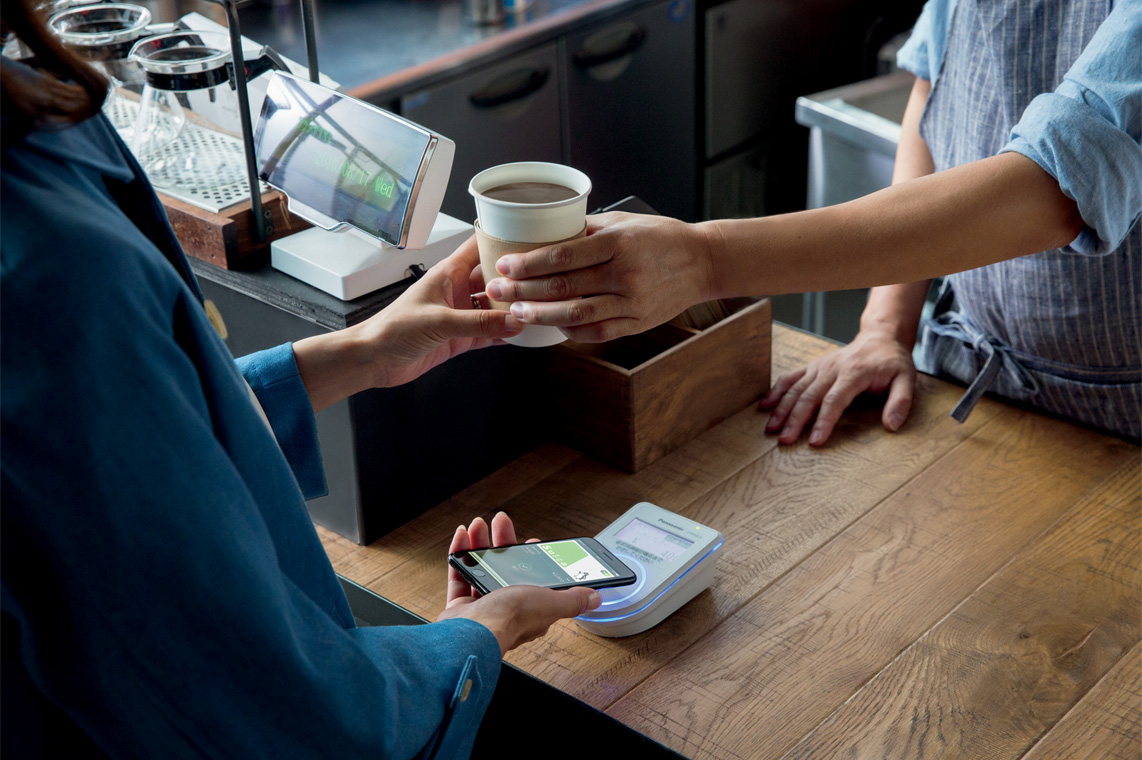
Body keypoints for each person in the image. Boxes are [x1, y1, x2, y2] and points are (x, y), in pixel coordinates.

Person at [0, 1, 600, 756]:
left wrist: (362, 350)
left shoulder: (41, 121)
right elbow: (288, 712)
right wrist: (477, 633)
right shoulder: (45, 265)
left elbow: (144, 435)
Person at [481, 0, 1140, 444]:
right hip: (964, 377)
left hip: (1119, 422)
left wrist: (705, 259)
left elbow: (1054, 188)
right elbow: (935, 87)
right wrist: (885, 326)